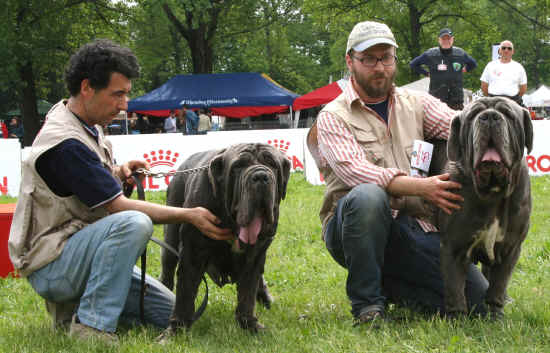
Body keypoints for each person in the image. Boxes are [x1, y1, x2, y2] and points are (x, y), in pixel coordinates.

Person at [8, 39, 232, 344]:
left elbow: (78, 183)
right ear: (87, 87)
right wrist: (188, 215)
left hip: (80, 254)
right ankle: (91, 326)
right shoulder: (66, 141)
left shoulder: (84, 124)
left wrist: (117, 172)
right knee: (133, 222)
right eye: (118, 94)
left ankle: (74, 311)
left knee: (178, 311)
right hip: (53, 265)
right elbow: (118, 208)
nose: (125, 104)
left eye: (126, 94)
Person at [315, 21, 488, 326]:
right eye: (369, 59)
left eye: (386, 57)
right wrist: (422, 189)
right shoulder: (332, 116)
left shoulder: (417, 103)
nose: (379, 67)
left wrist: (495, 125)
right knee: (368, 196)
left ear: (395, 59)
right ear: (350, 61)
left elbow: (461, 125)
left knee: (478, 303)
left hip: (412, 226)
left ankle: (391, 286)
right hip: (353, 229)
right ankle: (367, 306)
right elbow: (358, 173)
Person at [409, 28, 477, 110]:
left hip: (456, 99)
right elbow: (413, 64)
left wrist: (465, 69)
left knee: (455, 122)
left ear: (452, 40)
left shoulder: (460, 53)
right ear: (439, 40)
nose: (446, 41)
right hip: (436, 99)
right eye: (443, 39)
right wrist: (426, 73)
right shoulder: (431, 54)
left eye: (448, 38)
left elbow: (473, 64)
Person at [480, 40, 527, 106]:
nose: (506, 50)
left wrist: (516, 100)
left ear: (513, 52)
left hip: (513, 101)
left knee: (526, 114)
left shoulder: (519, 67)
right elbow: (484, 85)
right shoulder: (490, 65)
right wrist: (489, 98)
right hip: (492, 101)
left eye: (509, 48)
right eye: (503, 48)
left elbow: (523, 87)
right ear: (499, 51)